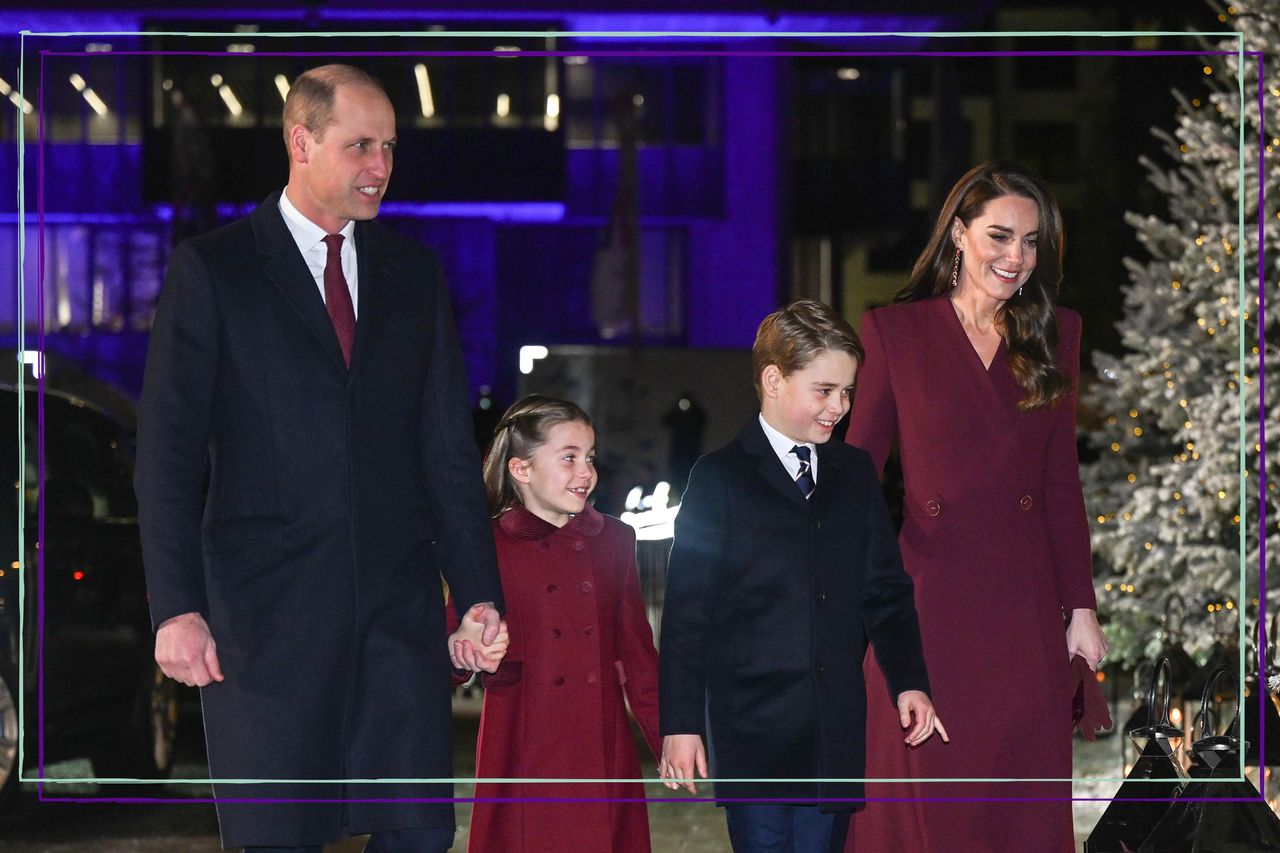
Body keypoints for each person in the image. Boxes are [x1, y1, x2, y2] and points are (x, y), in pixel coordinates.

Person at [135, 64, 507, 853]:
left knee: (418, 835)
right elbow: (166, 453)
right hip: (265, 631)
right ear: (300, 142)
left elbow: (445, 451)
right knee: (279, 841)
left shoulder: (414, 274)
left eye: (391, 148)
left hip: (395, 625)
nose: (381, 166)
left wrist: (476, 592)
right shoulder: (215, 270)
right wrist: (176, 605)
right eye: (361, 145)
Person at [843, 161, 1108, 853]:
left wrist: (1080, 607)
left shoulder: (1058, 334)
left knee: (1016, 797)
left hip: (1023, 608)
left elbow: (1058, 485)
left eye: (1029, 241)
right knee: (927, 795)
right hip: (926, 604)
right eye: (998, 235)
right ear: (959, 234)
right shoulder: (893, 333)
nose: (1015, 257)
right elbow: (857, 474)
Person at [659, 299, 947, 853]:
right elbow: (687, 615)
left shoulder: (855, 473)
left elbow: (884, 592)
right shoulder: (718, 479)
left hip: (833, 731)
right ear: (773, 380)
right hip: (753, 732)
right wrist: (681, 723)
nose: (840, 406)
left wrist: (909, 680)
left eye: (847, 392)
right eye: (824, 390)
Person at [464, 395, 661, 853]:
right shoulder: (487, 545)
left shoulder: (615, 540)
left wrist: (670, 737)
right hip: (520, 745)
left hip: (601, 746)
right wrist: (465, 649)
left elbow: (638, 653)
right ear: (521, 469)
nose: (586, 472)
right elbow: (452, 643)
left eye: (589, 458)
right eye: (569, 458)